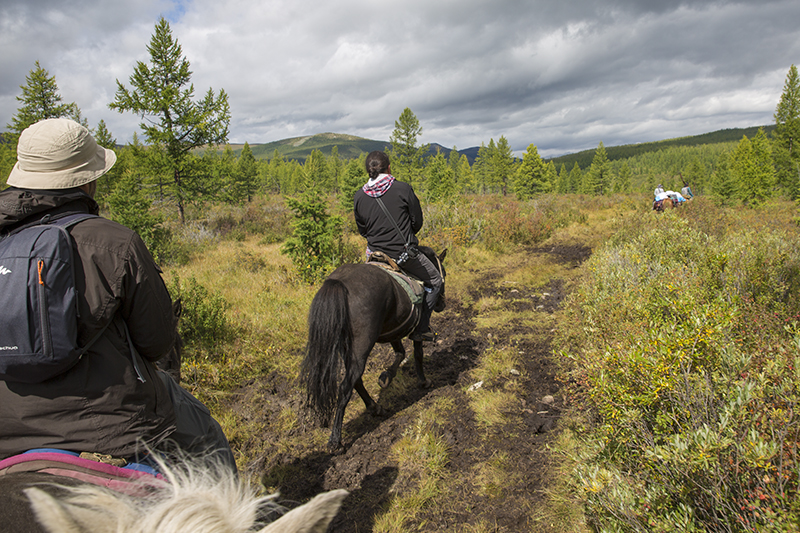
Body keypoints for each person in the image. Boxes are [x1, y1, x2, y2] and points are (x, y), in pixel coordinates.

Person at [0, 118, 235, 472]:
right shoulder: (113, 243)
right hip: (109, 425)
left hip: (7, 430)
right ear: (87, 180)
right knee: (208, 438)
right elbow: (157, 343)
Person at [353, 151, 442, 342]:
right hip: (402, 255)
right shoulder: (403, 189)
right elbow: (417, 222)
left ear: (368, 171)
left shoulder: (359, 196)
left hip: (374, 256)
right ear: (389, 168)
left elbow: (362, 230)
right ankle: (421, 328)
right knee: (435, 280)